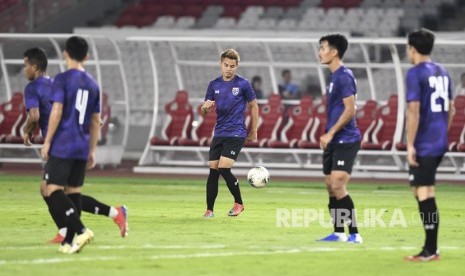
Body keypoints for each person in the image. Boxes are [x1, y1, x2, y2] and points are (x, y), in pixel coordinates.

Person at [23, 47, 128, 245]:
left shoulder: (33, 87)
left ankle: (84, 227)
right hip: (72, 142)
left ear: (34, 67)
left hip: (59, 144)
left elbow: (35, 115)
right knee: (52, 190)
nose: (24, 70)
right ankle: (67, 230)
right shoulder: (55, 83)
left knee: (54, 191)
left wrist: (27, 131)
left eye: (25, 65)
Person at [39, 36, 102, 254]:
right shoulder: (93, 84)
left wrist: (47, 141)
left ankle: (82, 230)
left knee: (51, 190)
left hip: (64, 143)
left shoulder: (63, 79)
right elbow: (96, 121)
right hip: (82, 146)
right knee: (73, 193)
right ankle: (69, 242)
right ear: (86, 56)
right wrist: (92, 150)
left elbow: (56, 111)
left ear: (65, 53)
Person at [404, 29, 453, 261]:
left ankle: (430, 250)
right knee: (421, 190)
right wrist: (442, 131)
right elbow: (451, 108)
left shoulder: (414, 73)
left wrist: (410, 144)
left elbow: (413, 110)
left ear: (412, 48)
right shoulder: (443, 72)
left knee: (424, 192)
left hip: (424, 142)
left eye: (407, 48)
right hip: (438, 139)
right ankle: (431, 247)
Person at [201, 49, 259, 218]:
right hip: (219, 132)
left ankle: (239, 203)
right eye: (226, 65)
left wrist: (253, 130)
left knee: (223, 168)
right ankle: (209, 210)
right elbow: (205, 110)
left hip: (236, 132)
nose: (228, 68)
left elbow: (254, 106)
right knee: (213, 170)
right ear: (221, 64)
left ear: (237, 66)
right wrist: (205, 108)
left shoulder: (243, 84)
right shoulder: (214, 85)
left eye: (232, 66)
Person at [317, 34, 362, 243]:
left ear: (334, 52)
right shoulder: (333, 76)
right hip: (333, 140)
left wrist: (331, 132)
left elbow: (350, 109)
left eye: (323, 48)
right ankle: (338, 232)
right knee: (329, 185)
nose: (320, 52)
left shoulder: (344, 76)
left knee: (337, 185)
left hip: (346, 139)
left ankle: (355, 233)